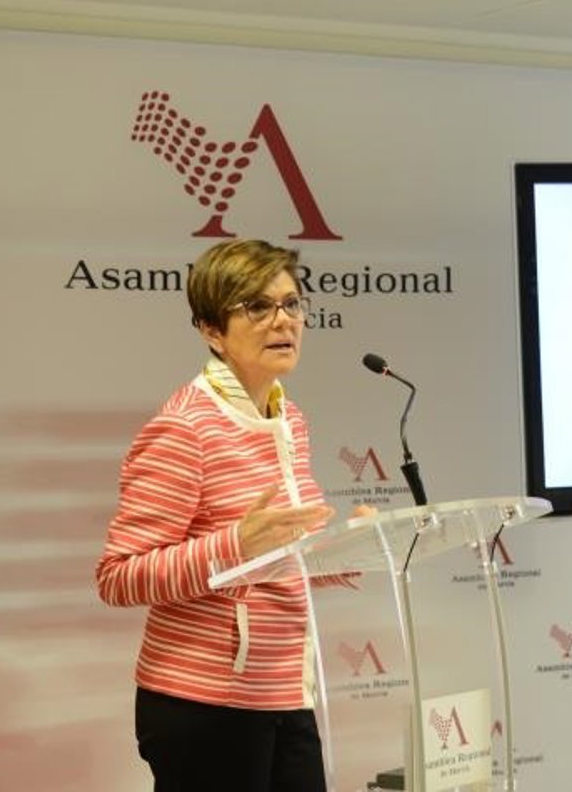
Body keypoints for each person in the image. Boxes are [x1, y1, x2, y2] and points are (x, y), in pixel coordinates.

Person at [96, 239, 372, 792]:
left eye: (292, 304)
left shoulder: (288, 419)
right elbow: (119, 576)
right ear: (211, 330)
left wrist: (353, 547)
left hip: (283, 692)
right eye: (258, 307)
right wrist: (234, 545)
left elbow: (281, 556)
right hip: (203, 706)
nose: (283, 320)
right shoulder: (185, 428)